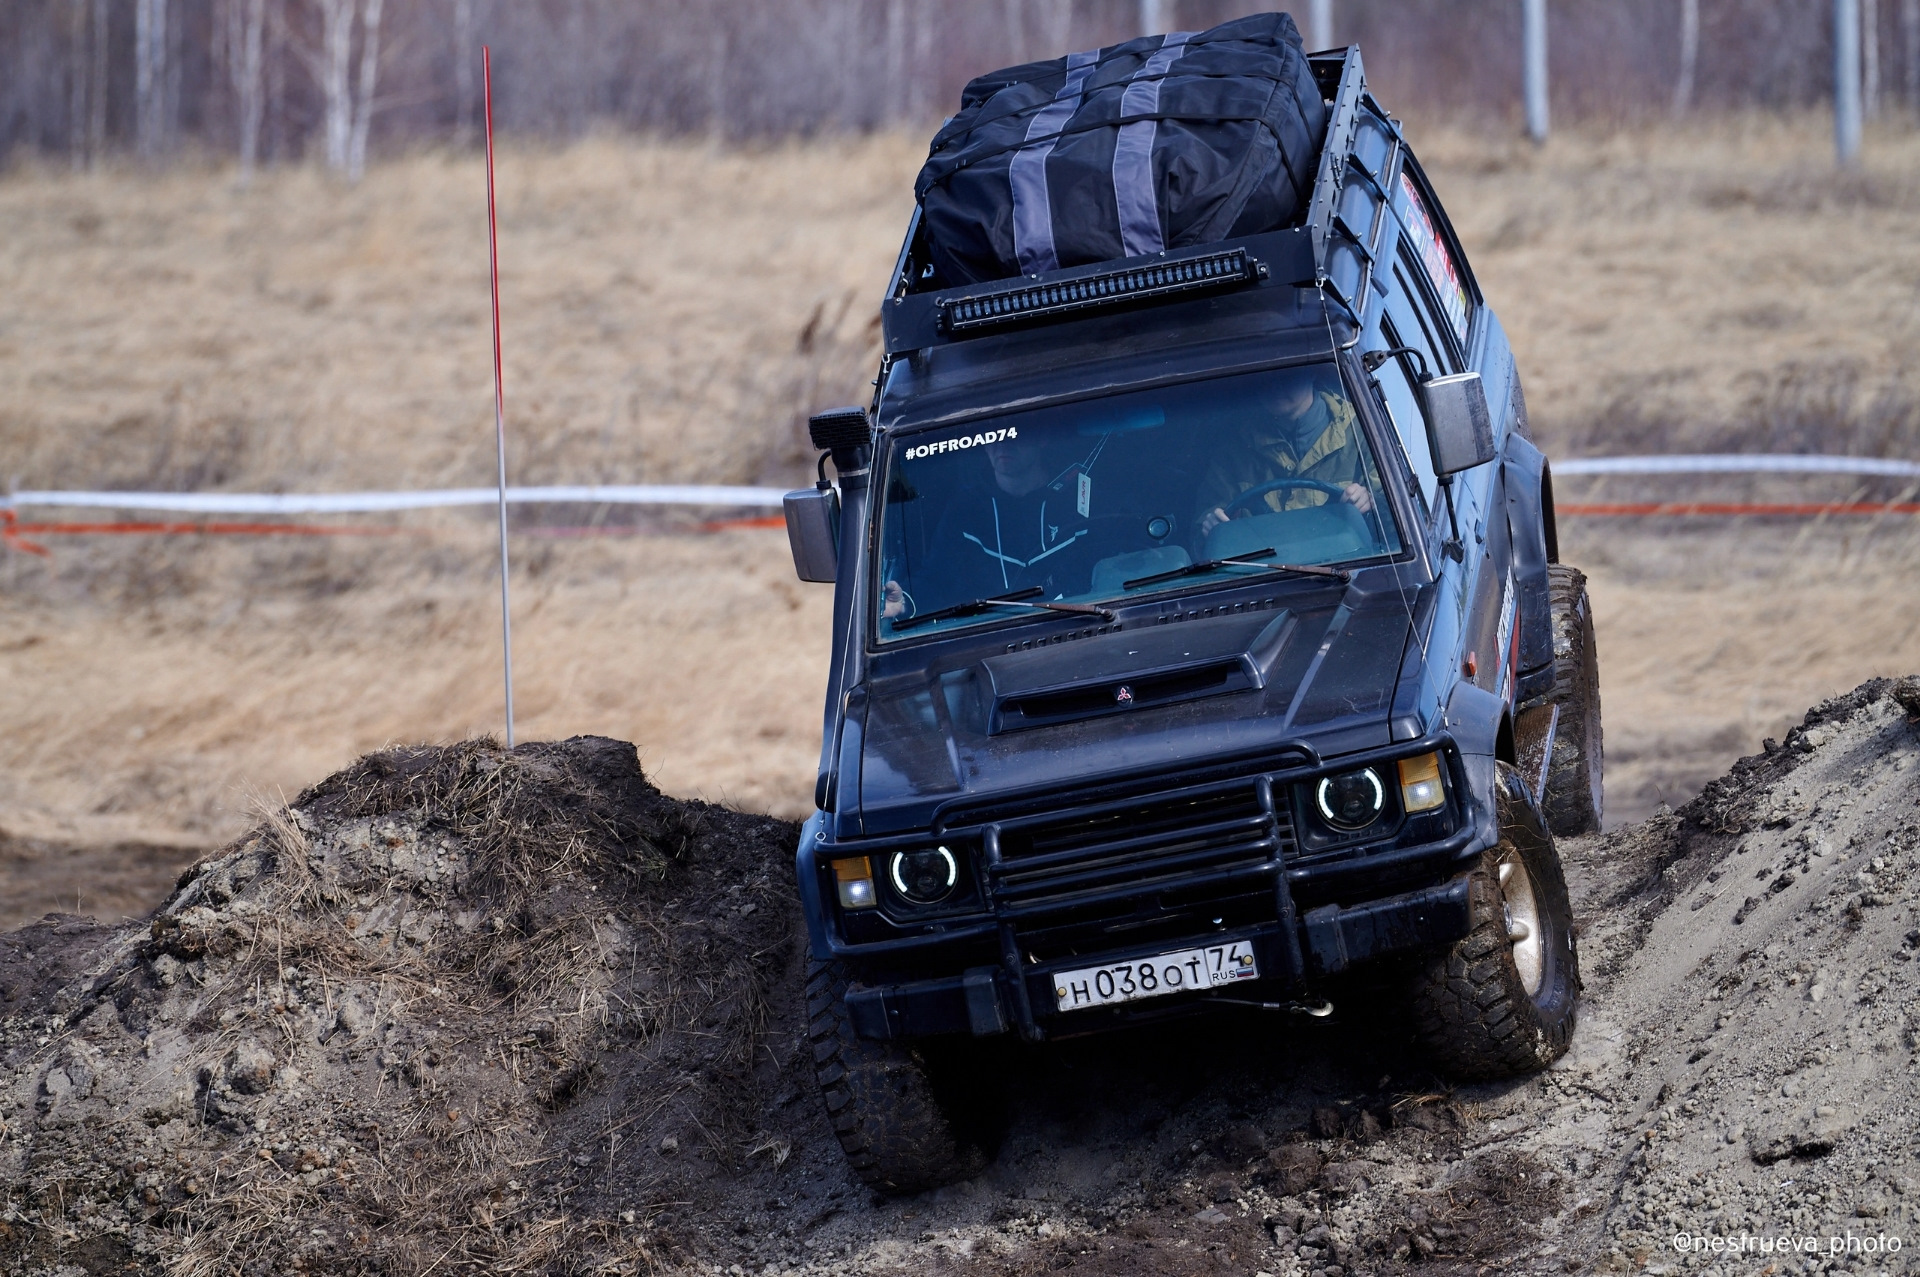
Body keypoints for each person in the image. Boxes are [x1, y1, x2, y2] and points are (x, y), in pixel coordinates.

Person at [882, 430, 1096, 622]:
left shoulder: (1079, 499)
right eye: (992, 434)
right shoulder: (965, 511)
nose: (1002, 443)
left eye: (1015, 431)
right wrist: (905, 600)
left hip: (1078, 623)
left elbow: (1112, 565)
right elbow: (937, 579)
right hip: (988, 636)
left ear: (1042, 437)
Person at [1194, 369, 1375, 540]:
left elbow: (1395, 525)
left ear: (1311, 371)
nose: (1273, 385)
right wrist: (1212, 527)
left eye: (1286, 374)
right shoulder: (1234, 449)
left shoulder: (1365, 430)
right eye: (1263, 376)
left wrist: (1369, 502)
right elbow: (1204, 530)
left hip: (1348, 569)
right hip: (1262, 571)